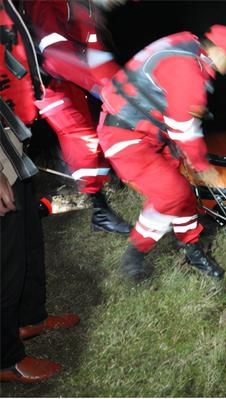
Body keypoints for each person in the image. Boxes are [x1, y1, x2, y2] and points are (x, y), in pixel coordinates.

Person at [97, 25, 226, 281]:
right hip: (125, 137)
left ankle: (191, 247)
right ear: (220, 52)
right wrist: (202, 166)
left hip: (148, 134)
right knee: (172, 193)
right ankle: (135, 253)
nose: (225, 72)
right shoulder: (188, 70)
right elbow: (184, 129)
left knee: (183, 194)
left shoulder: (187, 46)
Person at [1, 0, 79, 383]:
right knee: (5, 256)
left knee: (29, 236)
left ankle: (30, 318)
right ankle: (4, 357)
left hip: (14, 137)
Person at [24, 0, 130, 235]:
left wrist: (120, 86)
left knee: (95, 132)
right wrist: (100, 86)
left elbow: (97, 56)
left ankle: (103, 191)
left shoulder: (87, 10)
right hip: (47, 82)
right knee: (80, 137)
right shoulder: (48, 3)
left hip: (70, 78)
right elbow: (55, 54)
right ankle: (99, 210)